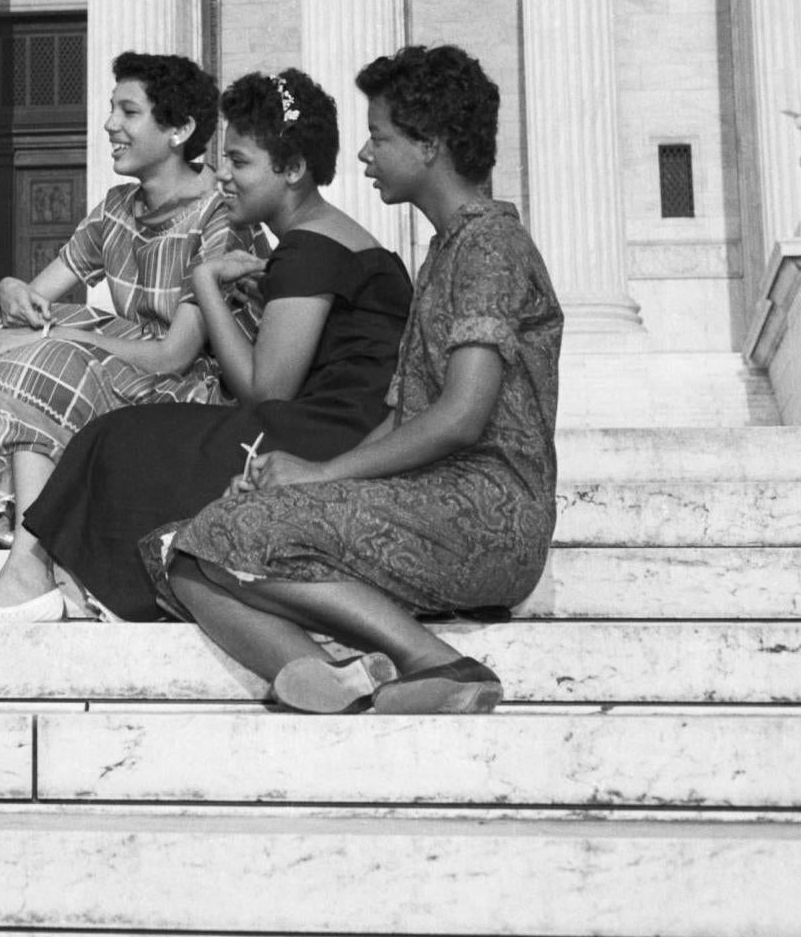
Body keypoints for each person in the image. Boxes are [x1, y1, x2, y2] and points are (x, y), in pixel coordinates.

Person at [151, 45, 564, 715]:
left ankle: (439, 663)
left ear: (429, 145)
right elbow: (405, 412)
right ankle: (330, 679)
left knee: (226, 530)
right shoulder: (446, 248)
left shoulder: (490, 244)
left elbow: (461, 415)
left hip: (487, 511)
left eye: (380, 137)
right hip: (433, 500)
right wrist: (314, 469)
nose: (365, 156)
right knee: (186, 551)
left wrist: (324, 474)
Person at [19, 69, 411, 622]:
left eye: (241, 162)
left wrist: (204, 283)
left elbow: (263, 390)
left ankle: (77, 582)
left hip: (334, 433)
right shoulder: (321, 238)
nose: (222, 176)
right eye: (225, 159)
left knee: (121, 437)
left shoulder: (310, 247)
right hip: (339, 419)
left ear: (293, 169)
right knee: (133, 436)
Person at [0, 53, 232, 622]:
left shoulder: (219, 217)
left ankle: (29, 567)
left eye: (128, 111)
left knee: (53, 357)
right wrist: (13, 293)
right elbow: (38, 299)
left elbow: (175, 353)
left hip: (183, 391)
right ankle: (14, 529)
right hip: (118, 366)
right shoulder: (118, 207)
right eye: (111, 109)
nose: (110, 125)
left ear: (179, 130)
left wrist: (58, 332)